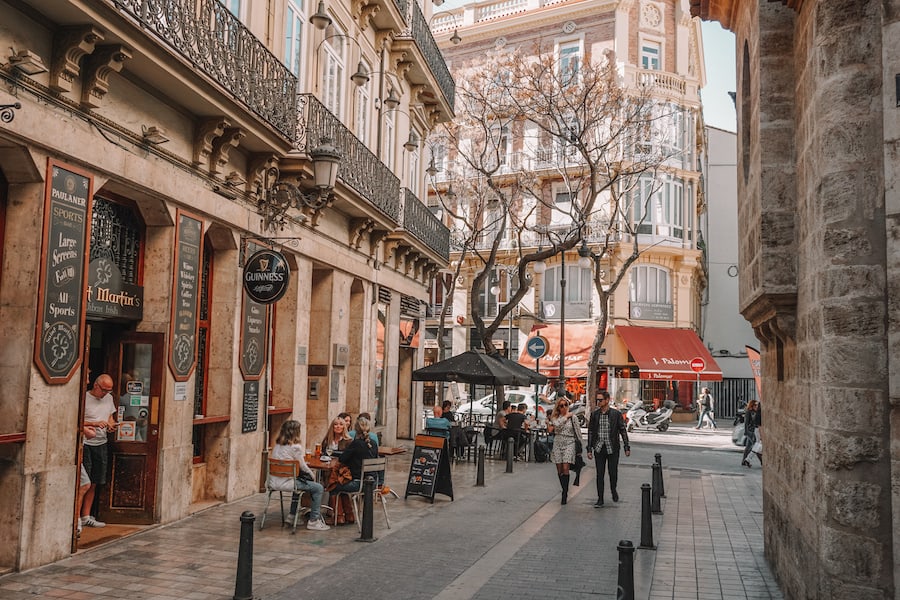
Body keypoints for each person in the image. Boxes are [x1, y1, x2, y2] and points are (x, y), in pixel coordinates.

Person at [271, 420, 330, 531]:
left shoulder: (277, 446)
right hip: (288, 483)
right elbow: (303, 467)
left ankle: (292, 516)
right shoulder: (295, 447)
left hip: (274, 482)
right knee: (318, 488)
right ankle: (314, 520)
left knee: (298, 484)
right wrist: (312, 476)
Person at [80, 374, 118, 529]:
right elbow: (76, 420)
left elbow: (110, 417)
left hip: (101, 443)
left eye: (109, 391)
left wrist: (110, 424)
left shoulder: (108, 399)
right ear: (96, 385)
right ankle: (76, 518)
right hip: (86, 443)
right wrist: (94, 424)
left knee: (95, 481)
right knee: (84, 482)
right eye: (104, 390)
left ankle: (86, 516)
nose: (105, 394)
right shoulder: (84, 398)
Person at [329, 416, 379, 523]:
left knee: (334, 486)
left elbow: (342, 459)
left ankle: (339, 517)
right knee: (341, 485)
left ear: (355, 430)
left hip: (358, 484)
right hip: (373, 483)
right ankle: (349, 515)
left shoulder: (356, 444)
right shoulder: (373, 444)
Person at [587, 390, 630, 507]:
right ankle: (600, 499)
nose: (598, 402)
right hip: (599, 447)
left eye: (600, 400)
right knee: (599, 474)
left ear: (607, 400)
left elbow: (622, 430)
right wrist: (589, 449)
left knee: (613, 473)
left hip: (613, 448)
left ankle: (613, 489)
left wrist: (626, 446)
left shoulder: (616, 414)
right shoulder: (595, 414)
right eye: (597, 400)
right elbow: (591, 432)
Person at [547, 397, 583, 505]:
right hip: (558, 442)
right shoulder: (555, 417)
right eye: (561, 406)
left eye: (566, 405)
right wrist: (565, 417)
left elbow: (578, 431)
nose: (564, 408)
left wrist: (580, 446)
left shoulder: (574, 418)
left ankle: (565, 493)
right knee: (559, 470)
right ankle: (563, 488)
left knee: (565, 467)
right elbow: (557, 425)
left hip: (569, 442)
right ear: (558, 407)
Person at [75, 425, 97, 538]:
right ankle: (76, 522)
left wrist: (86, 428)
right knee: (84, 484)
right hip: (75, 452)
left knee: (85, 484)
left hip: (79, 452)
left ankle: (77, 521)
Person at [742, 399, 762, 467]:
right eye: (755, 405)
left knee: (749, 446)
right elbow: (746, 423)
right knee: (756, 446)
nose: (756, 406)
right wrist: (746, 431)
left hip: (753, 430)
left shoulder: (755, 412)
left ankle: (744, 461)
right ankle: (761, 461)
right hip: (750, 431)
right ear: (752, 405)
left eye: (757, 405)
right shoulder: (749, 412)